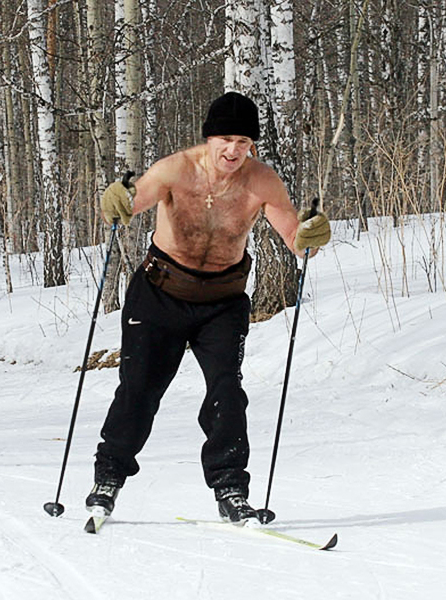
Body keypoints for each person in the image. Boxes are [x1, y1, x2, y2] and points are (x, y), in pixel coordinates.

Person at [88, 91, 331, 523]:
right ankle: (108, 476)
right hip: (159, 293)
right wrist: (118, 199)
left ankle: (231, 488)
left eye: (243, 141)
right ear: (208, 138)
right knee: (139, 389)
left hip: (222, 302)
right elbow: (131, 202)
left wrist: (311, 236)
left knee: (226, 391)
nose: (234, 150)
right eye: (225, 139)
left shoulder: (262, 181)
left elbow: (297, 240)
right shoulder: (175, 170)